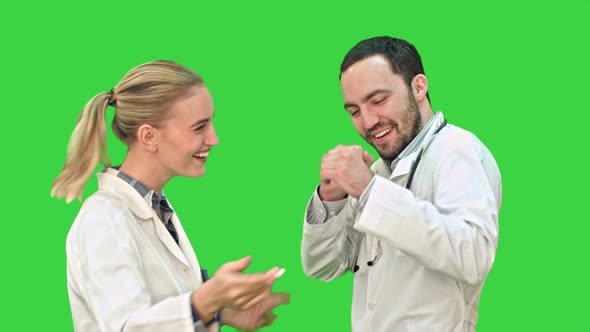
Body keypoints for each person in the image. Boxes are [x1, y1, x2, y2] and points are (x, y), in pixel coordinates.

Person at [52, 60, 289, 332]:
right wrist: (203, 302)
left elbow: (162, 306)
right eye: (199, 127)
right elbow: (126, 327)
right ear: (149, 137)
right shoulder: (103, 221)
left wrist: (220, 311)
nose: (214, 139)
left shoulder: (156, 208)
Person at [301, 36, 502, 331]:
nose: (368, 122)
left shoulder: (457, 149)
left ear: (419, 87)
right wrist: (331, 199)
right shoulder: (380, 170)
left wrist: (370, 192)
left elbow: (473, 255)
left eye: (378, 100)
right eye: (354, 111)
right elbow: (322, 267)